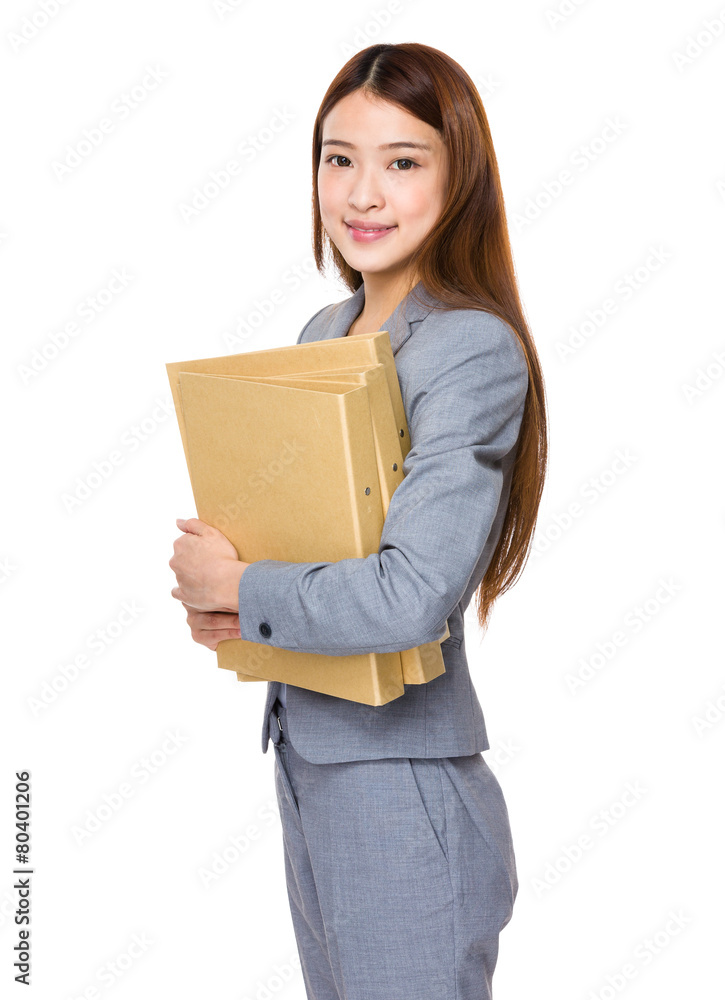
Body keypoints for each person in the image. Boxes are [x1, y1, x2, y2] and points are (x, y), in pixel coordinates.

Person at [169, 41, 548, 1000]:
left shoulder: (469, 348)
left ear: (459, 178)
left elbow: (410, 594)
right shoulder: (324, 333)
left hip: (403, 782)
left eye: (402, 161)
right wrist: (233, 609)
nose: (362, 193)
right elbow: (311, 551)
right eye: (338, 158)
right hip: (312, 760)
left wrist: (244, 586)